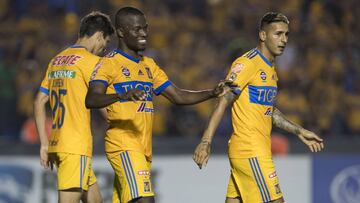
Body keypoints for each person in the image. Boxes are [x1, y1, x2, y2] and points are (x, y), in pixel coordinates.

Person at [85, 7, 234, 203]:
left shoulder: (149, 65)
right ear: (121, 32)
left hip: (144, 147)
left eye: (145, 28)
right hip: (123, 144)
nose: (144, 33)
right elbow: (91, 99)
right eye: (137, 29)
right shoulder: (109, 63)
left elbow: (178, 96)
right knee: (146, 200)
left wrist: (211, 93)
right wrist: (121, 95)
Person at [192, 12, 324, 203]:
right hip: (250, 150)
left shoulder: (270, 69)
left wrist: (299, 130)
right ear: (263, 35)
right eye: (277, 34)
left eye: (286, 34)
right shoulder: (247, 63)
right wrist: (206, 141)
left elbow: (269, 111)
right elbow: (223, 99)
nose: (283, 40)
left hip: (251, 151)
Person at [34, 11, 114, 203]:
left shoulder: (57, 60)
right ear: (99, 35)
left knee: (95, 201)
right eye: (106, 42)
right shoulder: (92, 63)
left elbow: (39, 102)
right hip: (75, 146)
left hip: (58, 143)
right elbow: (102, 103)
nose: (104, 48)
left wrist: (44, 144)